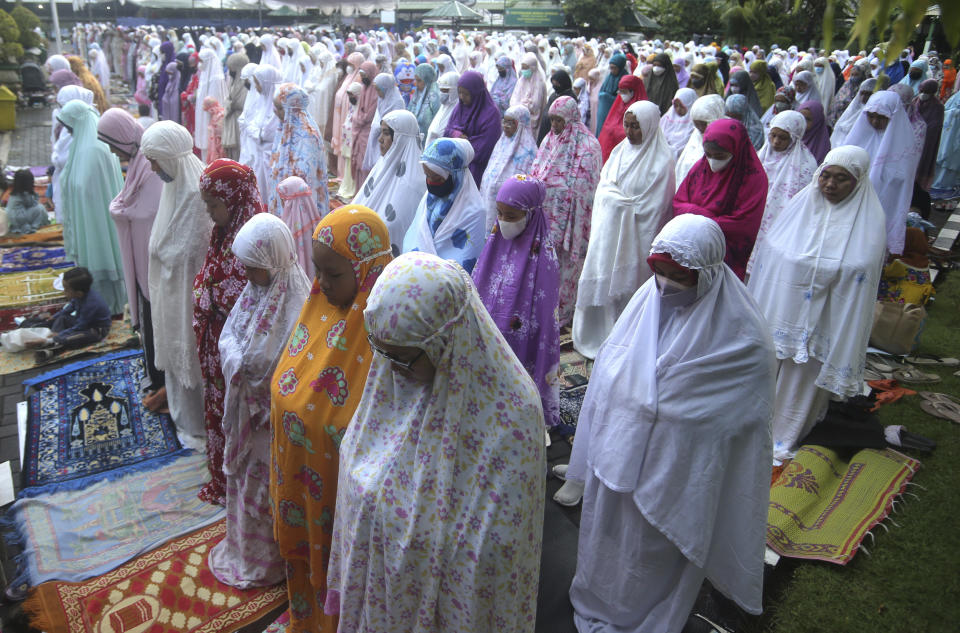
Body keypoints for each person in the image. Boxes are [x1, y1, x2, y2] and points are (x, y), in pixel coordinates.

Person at [566, 214, 775, 633]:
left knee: (650, 555)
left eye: (679, 276)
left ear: (709, 274)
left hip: (677, 476)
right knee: (607, 546)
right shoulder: (645, 306)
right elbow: (611, 374)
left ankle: (648, 611)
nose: (665, 285)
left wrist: (661, 412)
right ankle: (600, 598)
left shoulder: (745, 340)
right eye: (658, 272)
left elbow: (734, 415)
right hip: (618, 466)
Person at [324, 252, 545, 633]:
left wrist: (412, 534)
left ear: (448, 341)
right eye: (384, 354)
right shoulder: (394, 372)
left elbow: (495, 552)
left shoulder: (512, 414)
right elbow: (364, 450)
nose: (391, 368)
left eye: (405, 358)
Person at [270, 206, 393, 633]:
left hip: (342, 510)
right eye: (317, 269)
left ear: (367, 270)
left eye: (333, 274)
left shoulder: (387, 338)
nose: (319, 283)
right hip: (304, 487)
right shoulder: (319, 308)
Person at [748, 146, 886, 463]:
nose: (830, 185)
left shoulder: (868, 221)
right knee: (767, 373)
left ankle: (785, 433)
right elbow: (775, 252)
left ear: (858, 182)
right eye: (825, 176)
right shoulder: (801, 208)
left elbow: (860, 267)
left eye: (842, 179)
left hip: (825, 321)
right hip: (784, 313)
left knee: (802, 381)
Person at [208, 213, 311, 589]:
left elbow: (284, 369)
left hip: (270, 427)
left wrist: (242, 362)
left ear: (274, 262)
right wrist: (238, 360)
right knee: (247, 487)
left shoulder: (298, 304)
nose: (247, 275)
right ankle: (245, 551)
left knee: (267, 492)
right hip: (246, 420)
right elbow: (229, 337)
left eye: (254, 268)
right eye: (246, 267)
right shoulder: (255, 292)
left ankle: (271, 560)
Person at [573, 101, 675, 360]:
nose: (629, 132)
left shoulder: (662, 160)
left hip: (636, 237)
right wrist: (612, 199)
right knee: (601, 278)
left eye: (636, 127)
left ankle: (623, 340)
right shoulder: (619, 151)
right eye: (627, 125)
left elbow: (654, 206)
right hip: (608, 232)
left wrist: (619, 203)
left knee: (625, 291)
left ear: (650, 126)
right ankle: (594, 334)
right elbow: (604, 184)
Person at [141, 121, 212, 445]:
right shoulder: (174, 190)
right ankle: (180, 410)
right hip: (172, 295)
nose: (153, 168)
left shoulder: (201, 196)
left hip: (190, 299)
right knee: (175, 354)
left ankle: (198, 424)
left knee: (192, 358)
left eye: (156, 160)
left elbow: (191, 252)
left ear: (172, 158)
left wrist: (164, 253)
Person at [472, 174, 561, 428]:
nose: (503, 222)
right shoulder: (494, 242)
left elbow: (545, 320)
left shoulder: (544, 259)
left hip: (521, 339)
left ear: (531, 214)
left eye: (511, 216)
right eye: (499, 214)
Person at [194, 159, 259, 505]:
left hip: (238, 349)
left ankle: (238, 483)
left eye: (213, 204)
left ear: (233, 201)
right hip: (218, 342)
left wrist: (209, 295)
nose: (209, 212)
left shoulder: (251, 241)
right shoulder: (223, 231)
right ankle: (221, 473)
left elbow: (242, 299)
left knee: (235, 416)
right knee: (219, 410)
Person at [97, 108, 165, 391]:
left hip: (152, 258)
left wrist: (122, 210)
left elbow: (148, 209)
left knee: (155, 319)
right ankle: (155, 374)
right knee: (149, 317)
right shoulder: (140, 162)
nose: (113, 153)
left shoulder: (151, 167)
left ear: (124, 139)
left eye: (113, 144)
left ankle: (160, 380)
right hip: (142, 255)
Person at [530, 96, 602, 326]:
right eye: (552, 120)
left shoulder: (589, 146)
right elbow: (536, 171)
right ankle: (542, 310)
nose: (555, 126)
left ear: (571, 118)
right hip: (546, 220)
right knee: (546, 267)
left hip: (573, 221)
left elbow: (587, 187)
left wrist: (564, 195)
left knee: (567, 270)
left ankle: (563, 314)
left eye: (559, 120)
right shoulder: (549, 142)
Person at [57, 100, 127, 315]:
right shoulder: (83, 147)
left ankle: (110, 304)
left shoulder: (95, 150)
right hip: (87, 215)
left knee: (101, 251)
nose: (68, 131)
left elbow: (89, 187)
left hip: (97, 218)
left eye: (70, 126)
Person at [673, 118, 767, 280]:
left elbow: (744, 224)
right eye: (708, 154)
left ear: (736, 151)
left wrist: (698, 216)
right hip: (689, 248)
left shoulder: (753, 179)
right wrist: (703, 214)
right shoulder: (700, 168)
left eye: (720, 156)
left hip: (724, 255)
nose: (713, 161)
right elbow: (678, 202)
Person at [843, 90, 921, 254]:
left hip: (884, 197)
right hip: (853, 195)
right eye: (871, 116)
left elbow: (902, 178)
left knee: (872, 241)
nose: (875, 121)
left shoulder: (904, 143)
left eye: (881, 117)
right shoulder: (858, 136)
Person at [749, 110, 818, 276]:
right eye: (773, 135)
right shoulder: (761, 157)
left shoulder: (806, 166)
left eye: (783, 137)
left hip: (781, 224)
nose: (776, 141)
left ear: (794, 137)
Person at [402, 138, 486, 273]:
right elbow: (416, 236)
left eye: (437, 179)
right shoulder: (428, 200)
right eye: (427, 176)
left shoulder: (474, 213)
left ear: (455, 176)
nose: (430, 182)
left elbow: (465, 263)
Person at [352, 109, 426, 255]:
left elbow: (397, 228)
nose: (380, 139)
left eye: (386, 133)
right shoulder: (382, 167)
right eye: (381, 132)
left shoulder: (415, 184)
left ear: (401, 139)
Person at [22, 267, 113, 359]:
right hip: (81, 322)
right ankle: (52, 339)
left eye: (66, 289)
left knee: (76, 337)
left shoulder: (91, 304)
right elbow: (70, 307)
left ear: (78, 293)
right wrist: (54, 317)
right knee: (62, 318)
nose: (64, 292)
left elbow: (80, 326)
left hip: (96, 329)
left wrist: (60, 335)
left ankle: (53, 345)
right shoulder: (78, 296)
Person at [269, 84, 329, 218]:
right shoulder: (284, 128)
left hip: (300, 204)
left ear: (291, 109)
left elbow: (307, 177)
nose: (275, 111)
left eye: (279, 108)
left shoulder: (308, 135)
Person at [478, 105, 538, 233]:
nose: (505, 126)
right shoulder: (501, 144)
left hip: (510, 212)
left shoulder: (529, 153)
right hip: (491, 204)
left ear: (521, 124)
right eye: (504, 121)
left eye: (510, 123)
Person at [444, 70, 503, 187]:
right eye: (460, 92)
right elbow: (447, 130)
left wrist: (462, 144)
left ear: (477, 93)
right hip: (454, 166)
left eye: (466, 94)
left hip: (476, 170)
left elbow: (485, 147)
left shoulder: (491, 114)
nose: (461, 97)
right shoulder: (459, 107)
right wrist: (457, 135)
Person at [674, 94, 725, 189]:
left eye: (704, 124)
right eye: (697, 125)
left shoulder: (726, 138)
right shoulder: (695, 136)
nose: (701, 129)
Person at [331, 51, 366, 178]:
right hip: (341, 117)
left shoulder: (359, 79)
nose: (348, 66)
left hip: (349, 116)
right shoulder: (349, 76)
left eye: (351, 64)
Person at [362, 73, 405, 175]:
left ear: (386, 88)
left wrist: (379, 128)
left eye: (378, 89)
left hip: (389, 141)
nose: (377, 93)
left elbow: (395, 127)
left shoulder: (397, 102)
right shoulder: (382, 99)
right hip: (379, 139)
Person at [249, 65, 282, 197]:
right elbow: (250, 125)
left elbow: (268, 133)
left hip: (271, 155)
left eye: (258, 83)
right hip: (259, 154)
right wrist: (257, 132)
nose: (256, 87)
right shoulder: (262, 100)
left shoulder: (277, 104)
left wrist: (257, 132)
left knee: (270, 191)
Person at [597, 75, 646, 162]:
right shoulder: (618, 104)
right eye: (620, 91)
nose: (622, 95)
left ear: (633, 91)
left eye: (625, 92)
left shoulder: (642, 111)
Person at [349, 62, 380, 190]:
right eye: (361, 75)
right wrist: (358, 118)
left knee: (365, 164)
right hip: (359, 130)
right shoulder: (363, 88)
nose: (363, 78)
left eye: (364, 75)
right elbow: (359, 110)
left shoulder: (376, 92)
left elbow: (369, 115)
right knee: (357, 164)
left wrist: (358, 119)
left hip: (368, 132)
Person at [194, 48, 228, 155]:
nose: (200, 64)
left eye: (201, 61)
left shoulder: (216, 79)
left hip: (211, 119)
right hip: (203, 115)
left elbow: (214, 103)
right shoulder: (205, 74)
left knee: (211, 149)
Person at [914, 79, 944, 190]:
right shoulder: (915, 101)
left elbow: (935, 127)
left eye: (926, 92)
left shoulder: (937, 107)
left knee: (922, 163)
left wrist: (921, 131)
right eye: (922, 91)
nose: (923, 94)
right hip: (911, 141)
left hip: (927, 142)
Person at [830, 77, 876, 146]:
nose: (863, 97)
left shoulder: (874, 114)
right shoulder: (853, 108)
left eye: (868, 94)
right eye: (862, 93)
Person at [510, 52, 548, 132]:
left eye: (526, 67)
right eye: (522, 67)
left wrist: (520, 105)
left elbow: (535, 105)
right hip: (518, 117)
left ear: (532, 67)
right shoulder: (521, 80)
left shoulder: (539, 83)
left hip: (532, 120)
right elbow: (514, 97)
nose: (523, 70)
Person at [222, 52, 249, 160]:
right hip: (232, 120)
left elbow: (240, 103)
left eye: (232, 69)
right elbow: (229, 100)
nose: (230, 72)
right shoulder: (234, 81)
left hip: (241, 122)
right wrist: (229, 104)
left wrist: (230, 104)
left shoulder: (247, 85)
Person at [537, 69, 577, 143]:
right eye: (553, 84)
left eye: (557, 84)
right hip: (546, 129)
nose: (555, 86)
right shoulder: (554, 95)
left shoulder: (570, 98)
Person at [425, 70, 461, 148]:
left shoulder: (459, 108)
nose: (442, 94)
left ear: (454, 91)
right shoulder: (444, 106)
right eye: (440, 90)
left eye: (445, 91)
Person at [5, 169, 47, 235]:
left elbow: (32, 203)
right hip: (18, 220)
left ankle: (36, 226)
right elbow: (19, 217)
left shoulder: (22, 193)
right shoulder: (17, 198)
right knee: (40, 209)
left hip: (18, 218)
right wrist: (28, 230)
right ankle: (35, 227)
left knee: (40, 208)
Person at [594, 53, 627, 135]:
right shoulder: (609, 77)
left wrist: (607, 97)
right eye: (611, 68)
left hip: (616, 114)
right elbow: (601, 91)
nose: (612, 70)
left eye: (614, 68)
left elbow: (624, 97)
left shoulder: (625, 79)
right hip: (603, 113)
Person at [659, 87, 698, 158]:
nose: (678, 109)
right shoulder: (668, 117)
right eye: (676, 105)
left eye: (682, 106)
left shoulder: (694, 123)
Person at [408, 62, 440, 138]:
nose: (416, 84)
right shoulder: (416, 96)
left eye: (419, 80)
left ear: (427, 80)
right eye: (415, 80)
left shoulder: (435, 99)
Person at [202, 96, 226, 163]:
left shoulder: (219, 115)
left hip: (220, 144)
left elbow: (220, 132)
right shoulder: (216, 114)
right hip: (215, 144)